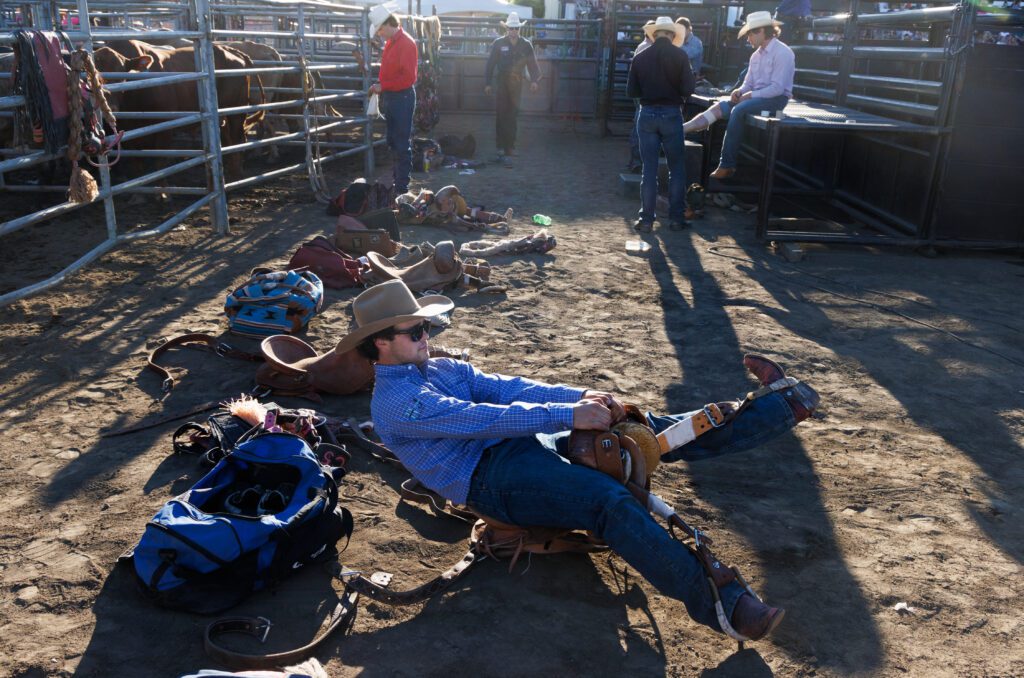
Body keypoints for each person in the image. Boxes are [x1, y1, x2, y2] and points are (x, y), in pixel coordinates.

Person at [337, 279, 822, 642]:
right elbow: (479, 419)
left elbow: (508, 389)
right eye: (415, 330)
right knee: (607, 502)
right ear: (380, 342)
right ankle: (726, 606)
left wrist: (584, 398)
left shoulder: (437, 366)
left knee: (637, 427)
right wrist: (568, 414)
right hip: (489, 478)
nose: (427, 334)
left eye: (427, 326)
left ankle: (778, 407)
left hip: (517, 448)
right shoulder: (395, 402)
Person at [682, 11, 795, 180]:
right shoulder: (756, 55)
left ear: (761, 31)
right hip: (757, 98)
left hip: (776, 100)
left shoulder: (783, 53)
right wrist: (740, 91)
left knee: (739, 110)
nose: (747, 38)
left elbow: (777, 89)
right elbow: (748, 83)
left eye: (750, 33)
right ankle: (682, 129)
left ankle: (727, 164)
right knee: (721, 107)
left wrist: (749, 95)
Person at [625, 16, 695, 232]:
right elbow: (688, 89)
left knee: (649, 170)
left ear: (654, 34)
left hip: (646, 114)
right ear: (672, 35)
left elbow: (631, 92)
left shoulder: (640, 57)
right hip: (671, 113)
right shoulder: (681, 56)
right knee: (676, 168)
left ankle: (646, 219)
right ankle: (676, 218)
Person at [368, 4, 418, 194]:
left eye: (380, 29)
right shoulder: (394, 42)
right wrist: (382, 86)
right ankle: (399, 181)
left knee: (400, 142)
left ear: (388, 24)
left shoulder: (405, 43)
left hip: (401, 96)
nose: (379, 33)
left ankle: (402, 185)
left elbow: (408, 78)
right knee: (394, 140)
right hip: (394, 96)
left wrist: (383, 86)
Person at [484, 13, 541, 162]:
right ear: (507, 28)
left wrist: (534, 80)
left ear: (519, 29)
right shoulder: (498, 43)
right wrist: (488, 83)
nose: (514, 30)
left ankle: (510, 146)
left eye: (516, 28)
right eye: (511, 28)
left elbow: (533, 64)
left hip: (517, 83)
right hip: (502, 82)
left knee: (513, 114)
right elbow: (490, 64)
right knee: (501, 113)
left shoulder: (526, 44)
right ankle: (500, 146)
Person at [627, 20, 656, 172]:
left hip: (641, 91)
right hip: (645, 93)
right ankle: (638, 160)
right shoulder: (648, 48)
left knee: (638, 124)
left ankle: (635, 160)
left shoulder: (642, 47)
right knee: (640, 126)